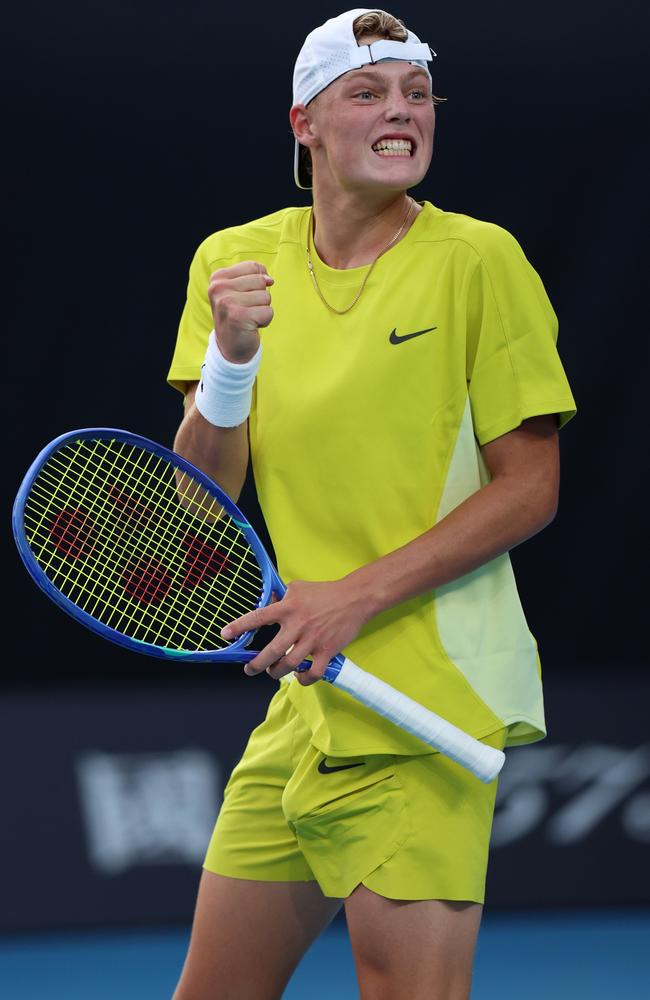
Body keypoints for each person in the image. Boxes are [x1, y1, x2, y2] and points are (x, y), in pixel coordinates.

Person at [166, 9, 577, 999]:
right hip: (309, 704)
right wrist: (229, 362)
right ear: (304, 122)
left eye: (416, 93)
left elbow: (530, 488)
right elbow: (195, 499)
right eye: (368, 92)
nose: (400, 110)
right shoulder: (236, 262)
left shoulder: (479, 261)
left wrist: (350, 597)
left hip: (424, 702)